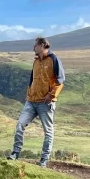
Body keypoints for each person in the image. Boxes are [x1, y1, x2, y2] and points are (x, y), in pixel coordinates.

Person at [8, 36, 65, 167]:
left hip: (46, 103)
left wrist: (51, 95)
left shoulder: (54, 59)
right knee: (20, 125)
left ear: (42, 45)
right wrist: (29, 93)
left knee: (48, 131)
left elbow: (61, 80)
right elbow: (32, 80)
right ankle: (15, 153)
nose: (33, 48)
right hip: (31, 101)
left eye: (35, 45)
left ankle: (44, 160)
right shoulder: (36, 62)